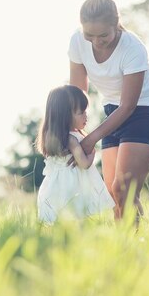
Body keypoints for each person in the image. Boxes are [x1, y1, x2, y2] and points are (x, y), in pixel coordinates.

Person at [69, 0, 149, 220]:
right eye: (89, 35)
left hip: (144, 114)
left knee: (125, 190)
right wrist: (73, 131)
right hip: (112, 112)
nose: (96, 42)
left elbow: (128, 106)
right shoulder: (76, 42)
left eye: (103, 35)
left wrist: (91, 138)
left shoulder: (133, 48)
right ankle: (125, 249)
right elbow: (78, 93)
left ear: (116, 23)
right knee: (112, 195)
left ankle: (135, 244)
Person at [36, 85, 115, 224]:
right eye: (81, 112)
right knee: (77, 217)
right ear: (65, 115)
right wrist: (92, 153)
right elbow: (84, 164)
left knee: (63, 220)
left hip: (57, 187)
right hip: (72, 186)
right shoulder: (71, 139)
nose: (86, 115)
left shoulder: (56, 138)